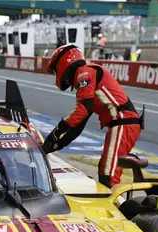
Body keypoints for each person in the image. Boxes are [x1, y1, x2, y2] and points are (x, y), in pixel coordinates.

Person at [42, 45, 142, 188]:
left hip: (123, 123)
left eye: (55, 70)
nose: (56, 74)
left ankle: (118, 208)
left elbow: (82, 109)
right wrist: (57, 144)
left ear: (63, 63)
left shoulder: (84, 73)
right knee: (105, 171)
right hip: (123, 123)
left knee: (108, 175)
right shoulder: (86, 76)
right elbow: (79, 125)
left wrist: (57, 131)